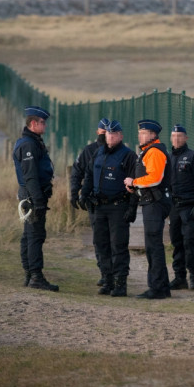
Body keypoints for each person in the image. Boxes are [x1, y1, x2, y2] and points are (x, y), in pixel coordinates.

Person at [82, 120, 138, 297]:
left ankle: (120, 283)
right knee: (101, 244)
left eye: (114, 134)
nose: (111, 137)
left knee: (118, 246)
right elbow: (89, 175)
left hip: (118, 207)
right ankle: (107, 280)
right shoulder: (98, 153)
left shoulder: (128, 156)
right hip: (99, 207)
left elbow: (135, 184)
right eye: (108, 134)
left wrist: (132, 208)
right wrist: (84, 194)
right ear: (104, 135)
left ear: (121, 136)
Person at [124, 119, 173, 299]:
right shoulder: (148, 151)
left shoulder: (154, 152)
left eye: (144, 132)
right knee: (153, 245)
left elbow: (154, 178)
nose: (140, 135)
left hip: (155, 203)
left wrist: (134, 182)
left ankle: (157, 288)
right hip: (150, 202)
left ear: (153, 135)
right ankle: (162, 287)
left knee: (154, 246)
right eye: (140, 132)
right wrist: (135, 187)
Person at [12, 105, 58, 292]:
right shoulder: (28, 145)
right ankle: (35, 276)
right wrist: (38, 202)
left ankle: (30, 274)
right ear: (33, 124)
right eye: (42, 123)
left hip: (32, 195)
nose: (45, 126)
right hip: (32, 197)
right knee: (34, 236)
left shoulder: (32, 141)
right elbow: (30, 176)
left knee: (30, 236)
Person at [168, 124, 194, 291]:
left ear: (186, 138)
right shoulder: (168, 158)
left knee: (190, 242)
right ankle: (179, 277)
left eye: (179, 136)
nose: (176, 139)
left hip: (189, 208)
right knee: (176, 242)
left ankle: (193, 276)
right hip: (174, 207)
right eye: (173, 136)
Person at [70, 117, 109, 287]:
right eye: (103, 131)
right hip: (94, 202)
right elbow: (77, 172)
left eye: (108, 131)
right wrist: (74, 192)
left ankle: (114, 273)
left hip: (115, 203)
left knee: (115, 240)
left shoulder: (120, 151)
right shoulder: (89, 151)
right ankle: (104, 272)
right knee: (99, 239)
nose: (105, 134)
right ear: (97, 132)